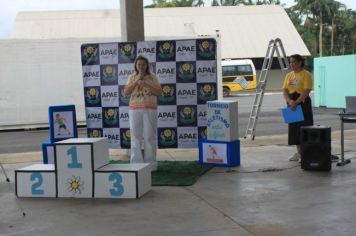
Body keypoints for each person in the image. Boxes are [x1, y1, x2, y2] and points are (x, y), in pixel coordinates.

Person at [124, 56, 162, 171]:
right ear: (136, 65)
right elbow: (126, 92)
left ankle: (151, 164)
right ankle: (136, 164)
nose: (141, 66)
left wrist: (146, 84)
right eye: (139, 64)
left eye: (143, 64)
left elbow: (159, 92)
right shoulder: (131, 77)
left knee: (150, 136)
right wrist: (136, 81)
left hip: (150, 109)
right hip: (135, 109)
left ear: (147, 66)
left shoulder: (153, 77)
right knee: (135, 136)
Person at [282, 54, 314, 162]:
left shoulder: (306, 74)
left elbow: (306, 90)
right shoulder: (288, 75)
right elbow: (285, 91)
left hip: (302, 102)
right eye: (290, 62)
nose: (291, 64)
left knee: (304, 128)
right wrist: (290, 101)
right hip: (291, 103)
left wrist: (297, 102)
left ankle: (305, 153)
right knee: (294, 129)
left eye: (293, 62)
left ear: (300, 62)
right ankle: (299, 153)